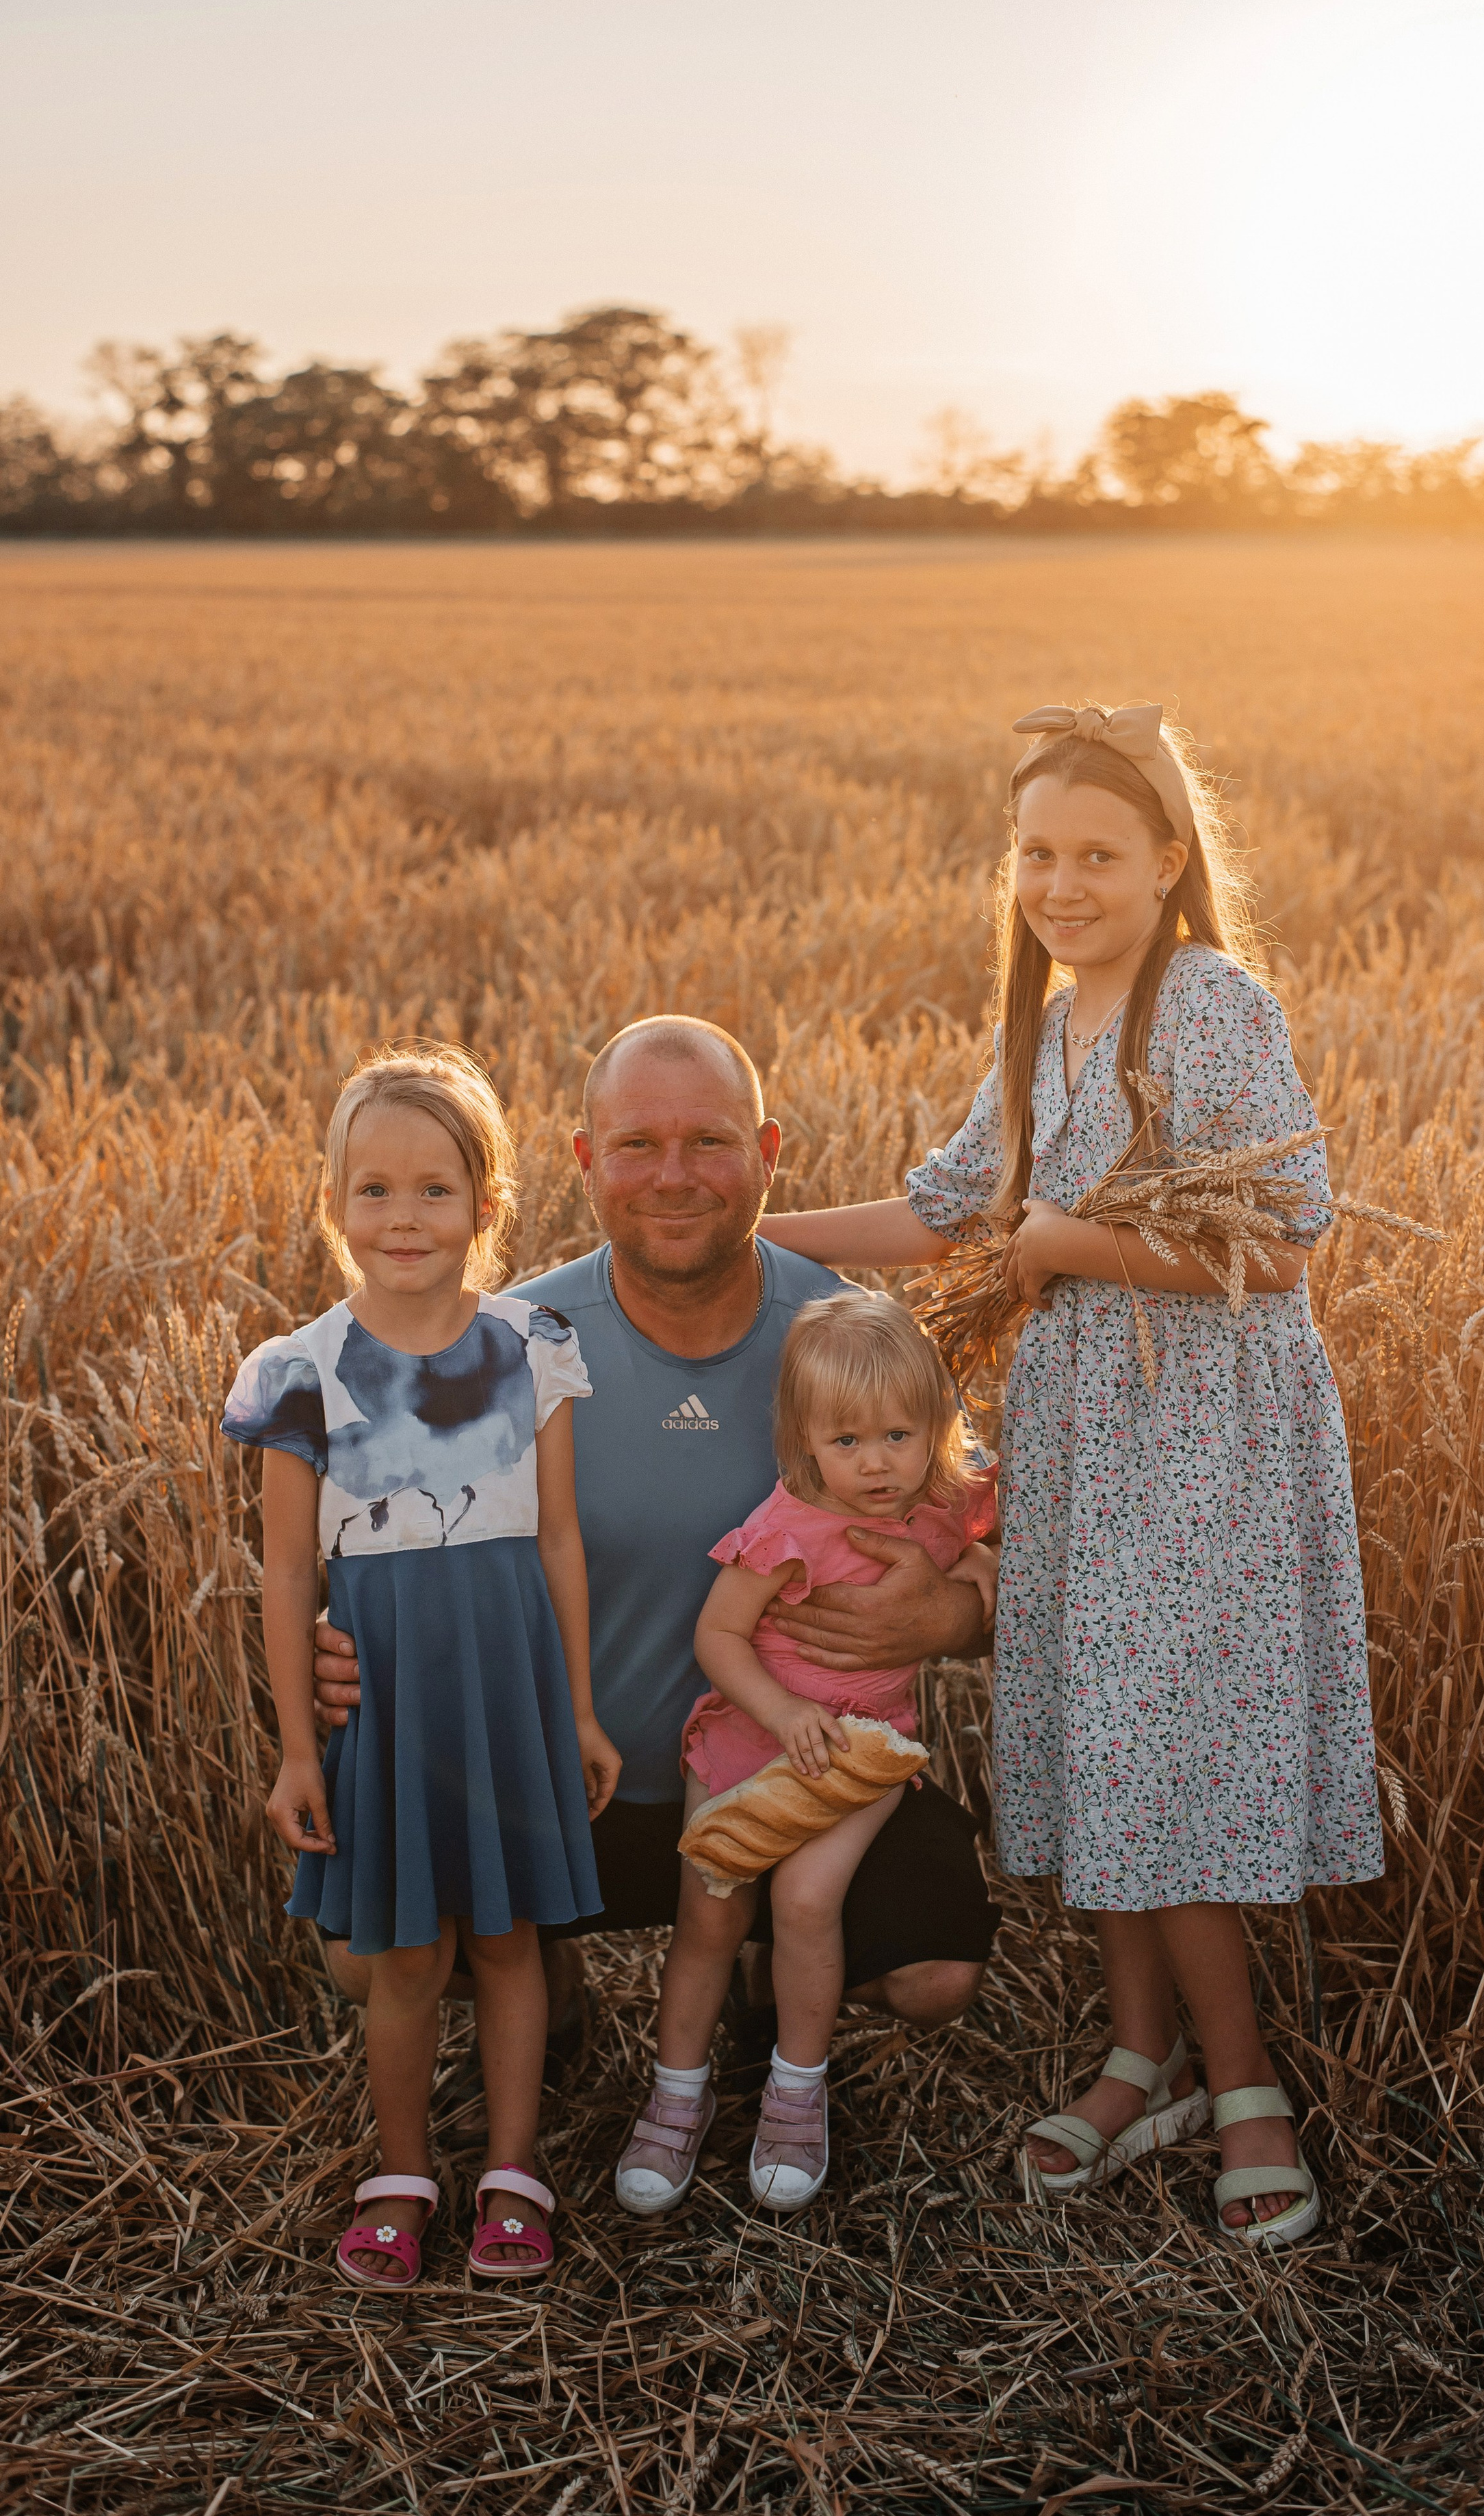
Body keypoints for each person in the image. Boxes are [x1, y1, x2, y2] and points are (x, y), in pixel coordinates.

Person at [764, 700, 1383, 2249]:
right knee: (1108, 1741)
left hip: (1206, 1441)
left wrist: (1066, 1245)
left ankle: (1241, 2084)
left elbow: (1288, 1231)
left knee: (1165, 1748)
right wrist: (748, 1243)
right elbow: (945, 1206)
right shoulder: (1039, 1031)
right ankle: (1138, 2057)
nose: (1059, 882)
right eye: (1034, 851)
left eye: (1096, 852)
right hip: (1085, 1442)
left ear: (1170, 862)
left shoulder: (1209, 1003)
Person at [310, 1019, 1001, 2086]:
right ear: (585, 1162)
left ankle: (769, 1980)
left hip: (795, 1774)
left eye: (710, 1143)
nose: (673, 1177)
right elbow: (396, 1547)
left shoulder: (852, 1335)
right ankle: (551, 1980)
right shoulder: (507, 1342)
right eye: (636, 1145)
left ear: (770, 1155)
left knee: (936, 1977)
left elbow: (998, 1552)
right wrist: (345, 1642)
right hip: (559, 1781)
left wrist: (953, 1617)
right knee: (365, 1953)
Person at [225, 1046, 617, 2289]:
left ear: (488, 1206)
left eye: (435, 1190)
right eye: (374, 1191)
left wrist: (583, 1713)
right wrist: (298, 1745)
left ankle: (514, 2168)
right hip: (384, 1694)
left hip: (508, 1681)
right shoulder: (301, 1370)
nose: (404, 1218)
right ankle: (401, 2172)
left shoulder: (532, 1346)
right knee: (404, 1956)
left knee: (505, 1940)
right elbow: (290, 1576)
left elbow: (558, 1538)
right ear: (333, 1204)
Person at [616, 1293, 997, 2218]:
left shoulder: (944, 1504)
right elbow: (720, 1637)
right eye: (848, 1442)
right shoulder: (787, 1527)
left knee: (806, 1898)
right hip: (751, 1739)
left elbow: (1005, 1542)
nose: (876, 1465)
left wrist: (974, 1584)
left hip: (861, 1757)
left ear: (937, 1427)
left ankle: (795, 2092)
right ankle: (675, 2093)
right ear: (804, 1439)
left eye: (900, 1436)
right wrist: (784, 1712)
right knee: (710, 1907)